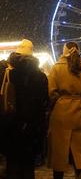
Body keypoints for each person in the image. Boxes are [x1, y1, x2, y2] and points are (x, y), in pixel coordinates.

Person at [47, 42, 81, 179]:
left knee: (59, 152)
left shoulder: (56, 68)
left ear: (64, 51)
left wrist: (60, 100)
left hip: (61, 113)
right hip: (80, 113)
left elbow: (51, 91)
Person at [0, 39, 48, 179]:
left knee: (12, 163)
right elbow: (44, 102)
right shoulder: (41, 77)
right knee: (28, 165)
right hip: (32, 127)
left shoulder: (7, 74)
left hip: (11, 124)